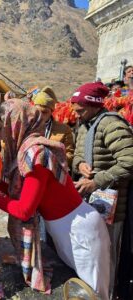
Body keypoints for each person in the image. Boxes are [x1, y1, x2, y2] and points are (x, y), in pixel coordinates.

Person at [0, 99, 111, 300]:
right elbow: (25, 195)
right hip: (64, 227)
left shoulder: (36, 154)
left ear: (16, 124)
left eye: (0, 128)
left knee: (93, 293)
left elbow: (24, 210)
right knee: (77, 289)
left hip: (79, 229)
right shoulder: (27, 149)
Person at [71, 81, 133, 299]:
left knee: (107, 256)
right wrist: (79, 164)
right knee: (92, 253)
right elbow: (77, 153)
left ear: (95, 105)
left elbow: (128, 162)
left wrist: (96, 182)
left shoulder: (112, 125)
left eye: (80, 110)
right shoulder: (85, 124)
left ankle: (108, 293)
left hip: (113, 207)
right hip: (90, 202)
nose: (75, 115)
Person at [32, 86, 74, 167]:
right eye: (37, 111)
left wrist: (51, 159)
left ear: (51, 111)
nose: (40, 115)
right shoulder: (27, 127)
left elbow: (69, 155)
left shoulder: (64, 130)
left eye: (44, 112)